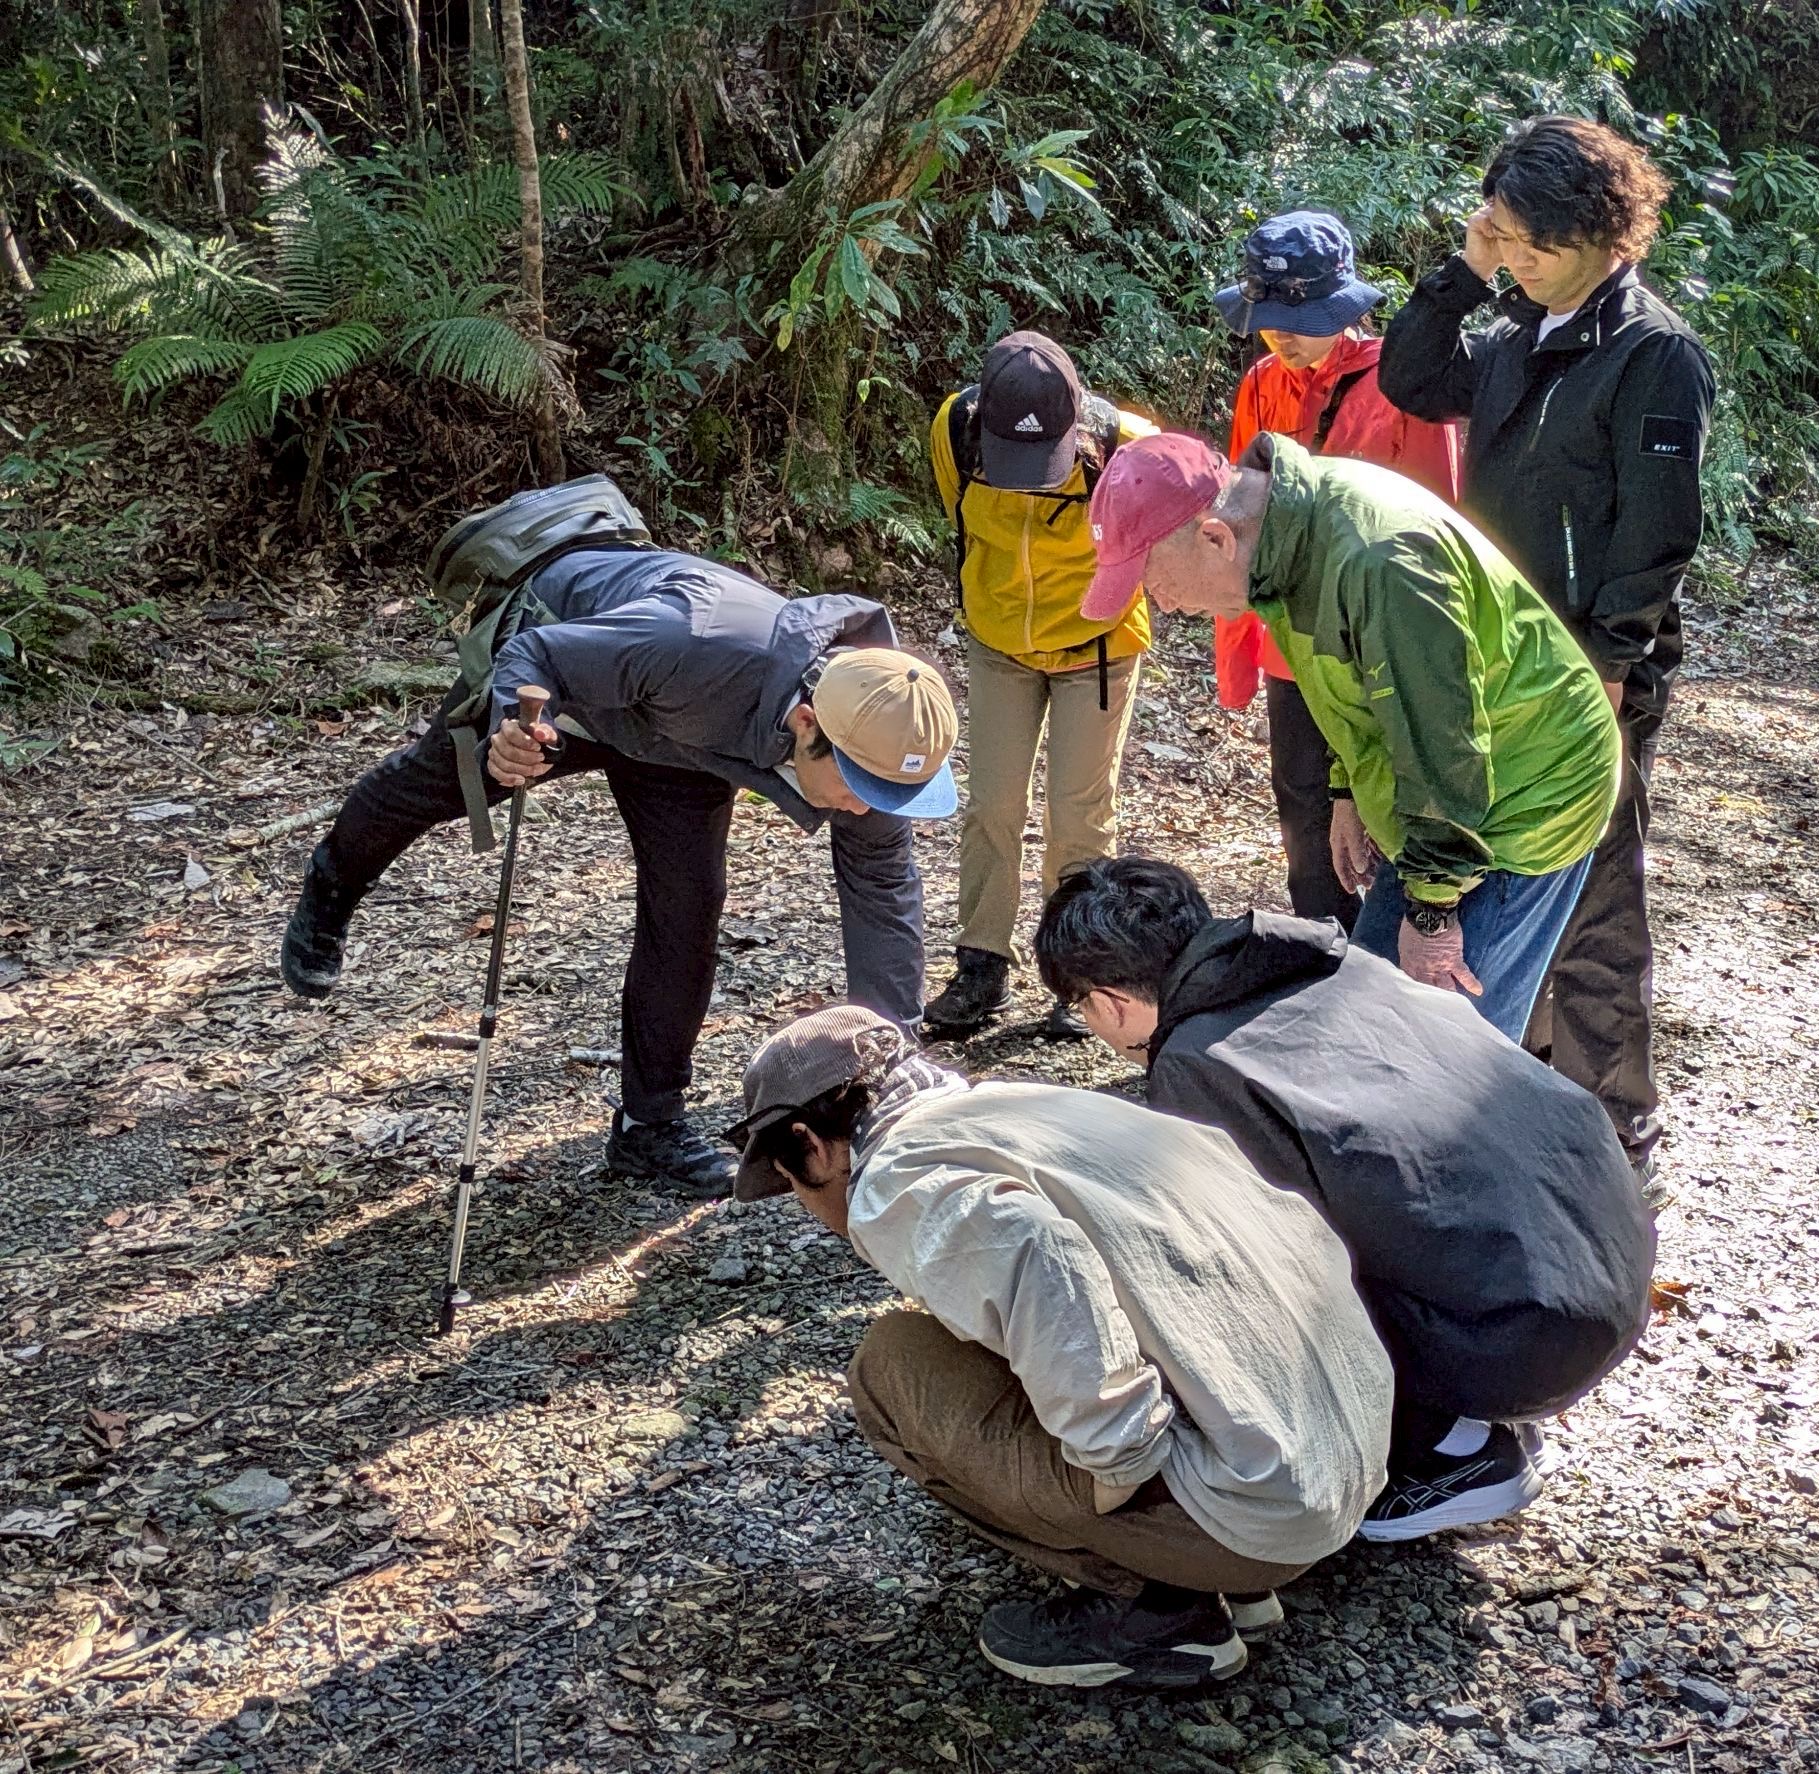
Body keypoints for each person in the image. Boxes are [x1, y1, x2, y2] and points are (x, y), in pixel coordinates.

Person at [279, 513, 958, 1196]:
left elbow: (883, 902)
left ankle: (647, 1127)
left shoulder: (877, 734)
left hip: (681, 743)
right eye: (859, 788)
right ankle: (332, 884)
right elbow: (538, 652)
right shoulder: (697, 641)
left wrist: (884, 1065)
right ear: (808, 724)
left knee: (687, 908)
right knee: (431, 787)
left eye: (887, 795)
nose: (867, 810)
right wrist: (515, 728)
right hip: (576, 694)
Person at [728, 1006, 1391, 1690]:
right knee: (991, 1330)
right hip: (1339, 1457)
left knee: (892, 1367)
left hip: (1255, 1512)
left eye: (791, 1184)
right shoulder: (1023, 1108)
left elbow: (1039, 1249)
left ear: (810, 1145)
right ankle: (1216, 1561)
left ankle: (1156, 1609)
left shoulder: (893, 1177)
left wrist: (1118, 1458)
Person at [1034, 856, 1654, 1541]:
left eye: (1080, 1007)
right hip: (1606, 1259)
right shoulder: (1329, 961)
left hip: (1520, 1333)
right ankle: (1476, 1401)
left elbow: (1250, 1261)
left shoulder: (1197, 1060)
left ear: (1108, 1000)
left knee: (1217, 1272)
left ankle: (1449, 1447)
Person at [1379, 115, 1715, 1177]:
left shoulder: (1650, 353)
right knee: (1499, 867)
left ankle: (1617, 1122)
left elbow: (1657, 533)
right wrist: (1465, 269)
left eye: (1529, 240)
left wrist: (1612, 666)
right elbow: (1407, 377)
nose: (1513, 257)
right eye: (1503, 236)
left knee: (1597, 890)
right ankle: (1518, 1091)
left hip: (1587, 670)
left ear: (1599, 230)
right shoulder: (1517, 332)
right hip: (1494, 656)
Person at [1078, 430, 1619, 1042]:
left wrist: (1434, 913)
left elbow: (1448, 745)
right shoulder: (1280, 536)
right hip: (1439, 792)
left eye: (1155, 580)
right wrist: (1347, 788)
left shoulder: (1377, 560)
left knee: (1448, 1057)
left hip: (1523, 794)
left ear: (1214, 536)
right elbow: (1359, 683)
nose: (1165, 605)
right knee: (1367, 1025)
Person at [1211, 211, 1462, 930]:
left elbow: (1438, 519)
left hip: (1376, 636)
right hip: (1288, 640)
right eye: (1269, 318)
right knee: (1302, 811)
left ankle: (1394, 957)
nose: (1281, 333)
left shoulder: (1401, 383)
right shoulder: (1260, 382)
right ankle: (1325, 965)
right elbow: (1236, 514)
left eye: (1299, 317)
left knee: (1385, 802)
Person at [920, 331, 1157, 1039]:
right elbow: (957, 513)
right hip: (1000, 641)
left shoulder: (1128, 444)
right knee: (991, 804)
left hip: (1097, 646)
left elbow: (1151, 539)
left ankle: (1079, 969)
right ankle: (981, 964)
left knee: (1078, 814)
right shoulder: (954, 428)